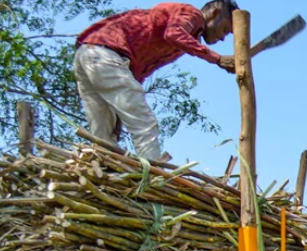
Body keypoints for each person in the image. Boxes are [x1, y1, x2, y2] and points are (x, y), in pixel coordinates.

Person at [74, 2, 238, 162]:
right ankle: (152, 174)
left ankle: (103, 172)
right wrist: (218, 59)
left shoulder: (186, 41)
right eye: (225, 29)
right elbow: (174, 34)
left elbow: (139, 72)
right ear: (215, 14)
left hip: (89, 53)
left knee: (103, 134)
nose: (223, 38)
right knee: (144, 122)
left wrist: (119, 116)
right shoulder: (192, 15)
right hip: (105, 53)